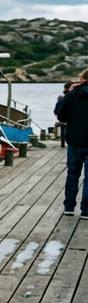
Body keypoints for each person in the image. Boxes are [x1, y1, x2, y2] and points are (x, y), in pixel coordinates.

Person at [58, 70, 88, 217]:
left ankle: (69, 207)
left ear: (82, 79)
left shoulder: (71, 95)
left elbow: (61, 117)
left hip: (75, 140)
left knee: (72, 174)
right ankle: (86, 210)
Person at [56, 81, 73, 148]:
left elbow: (57, 109)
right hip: (71, 117)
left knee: (63, 130)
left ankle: (63, 142)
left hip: (64, 117)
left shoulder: (62, 98)